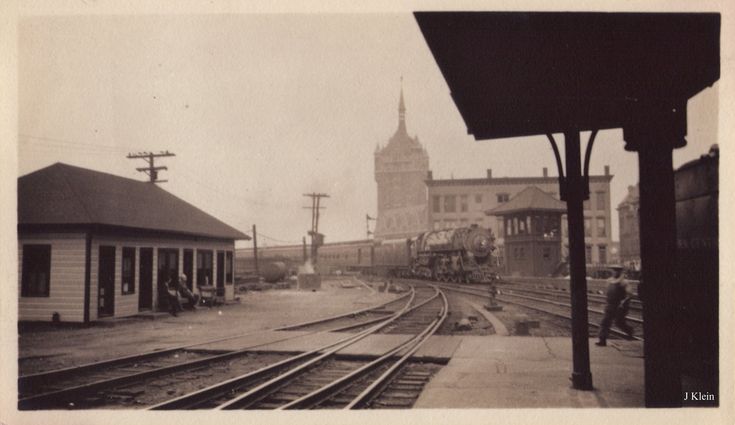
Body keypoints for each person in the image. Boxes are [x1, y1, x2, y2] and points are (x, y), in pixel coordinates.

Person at [596, 266, 634, 346]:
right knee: (605, 322)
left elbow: (630, 294)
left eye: (617, 271)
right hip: (610, 305)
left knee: (619, 322)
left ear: (620, 272)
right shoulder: (609, 281)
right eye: (614, 270)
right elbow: (608, 293)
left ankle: (629, 331)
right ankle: (602, 340)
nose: (615, 272)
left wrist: (624, 302)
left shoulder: (624, 282)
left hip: (619, 306)